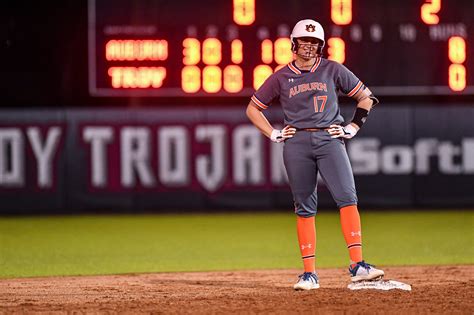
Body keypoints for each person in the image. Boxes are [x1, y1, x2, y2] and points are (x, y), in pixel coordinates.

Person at [246, 19, 384, 290]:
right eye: (305, 41)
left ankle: (358, 265)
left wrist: (353, 127)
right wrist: (273, 133)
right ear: (293, 44)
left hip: (329, 139)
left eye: (315, 43)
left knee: (347, 198)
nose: (309, 47)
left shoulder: (332, 69)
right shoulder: (281, 76)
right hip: (296, 142)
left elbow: (366, 97)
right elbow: (253, 108)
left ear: (321, 46)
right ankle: (309, 273)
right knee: (305, 207)